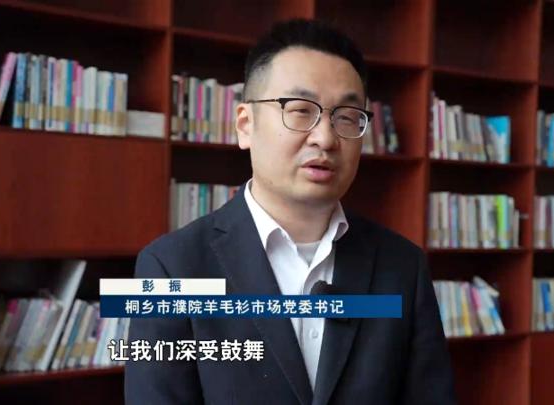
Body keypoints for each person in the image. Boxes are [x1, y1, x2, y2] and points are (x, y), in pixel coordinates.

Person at [125, 19, 456, 405]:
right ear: (245, 125)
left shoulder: (402, 268)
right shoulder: (171, 267)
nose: (326, 138)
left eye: (347, 116)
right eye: (300, 110)